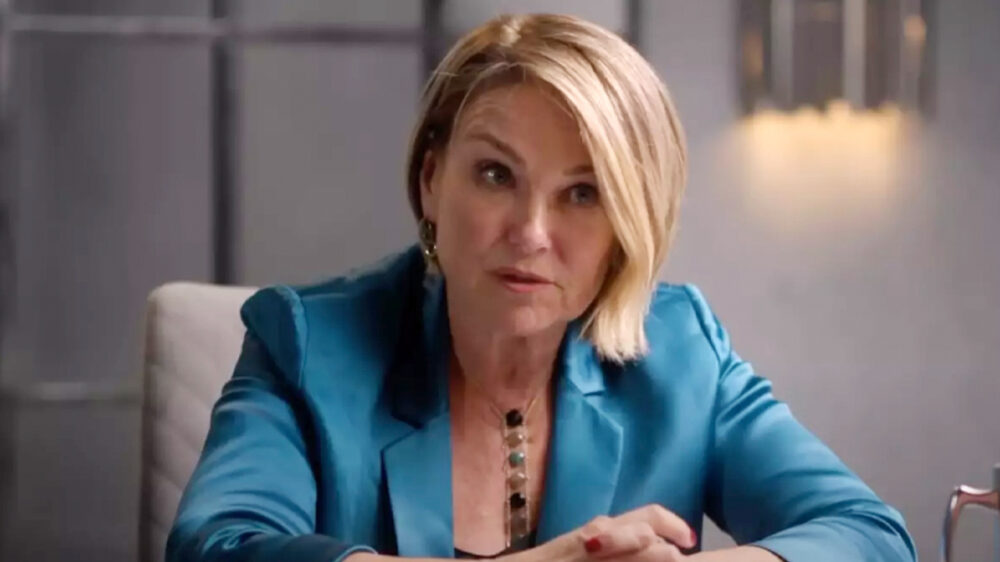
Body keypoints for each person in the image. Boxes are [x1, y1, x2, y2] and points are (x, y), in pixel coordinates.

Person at [166, 13, 916, 562]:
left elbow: (869, 535)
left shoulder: (682, 350)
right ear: (431, 181)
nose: (530, 232)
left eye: (583, 193)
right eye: (496, 175)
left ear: (628, 224)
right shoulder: (307, 344)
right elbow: (218, 548)